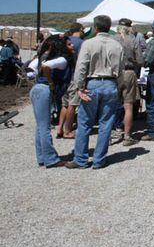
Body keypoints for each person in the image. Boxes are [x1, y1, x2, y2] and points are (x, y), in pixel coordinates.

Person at [66, 15, 124, 169]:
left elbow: (81, 67)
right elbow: (120, 69)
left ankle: (81, 159)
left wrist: (79, 86)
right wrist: (118, 87)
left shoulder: (88, 43)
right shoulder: (117, 45)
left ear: (95, 27)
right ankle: (99, 160)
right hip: (110, 83)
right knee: (106, 123)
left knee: (84, 123)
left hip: (92, 83)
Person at [28, 35, 69, 168]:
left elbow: (31, 69)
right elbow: (45, 67)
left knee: (40, 125)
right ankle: (51, 158)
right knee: (45, 126)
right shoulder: (61, 60)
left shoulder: (42, 56)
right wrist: (51, 82)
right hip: (45, 89)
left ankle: (42, 156)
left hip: (36, 88)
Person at [113, 18, 143, 146]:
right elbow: (140, 60)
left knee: (113, 104)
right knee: (128, 105)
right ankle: (127, 136)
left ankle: (114, 131)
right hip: (129, 72)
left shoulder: (111, 39)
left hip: (113, 74)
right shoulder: (133, 40)